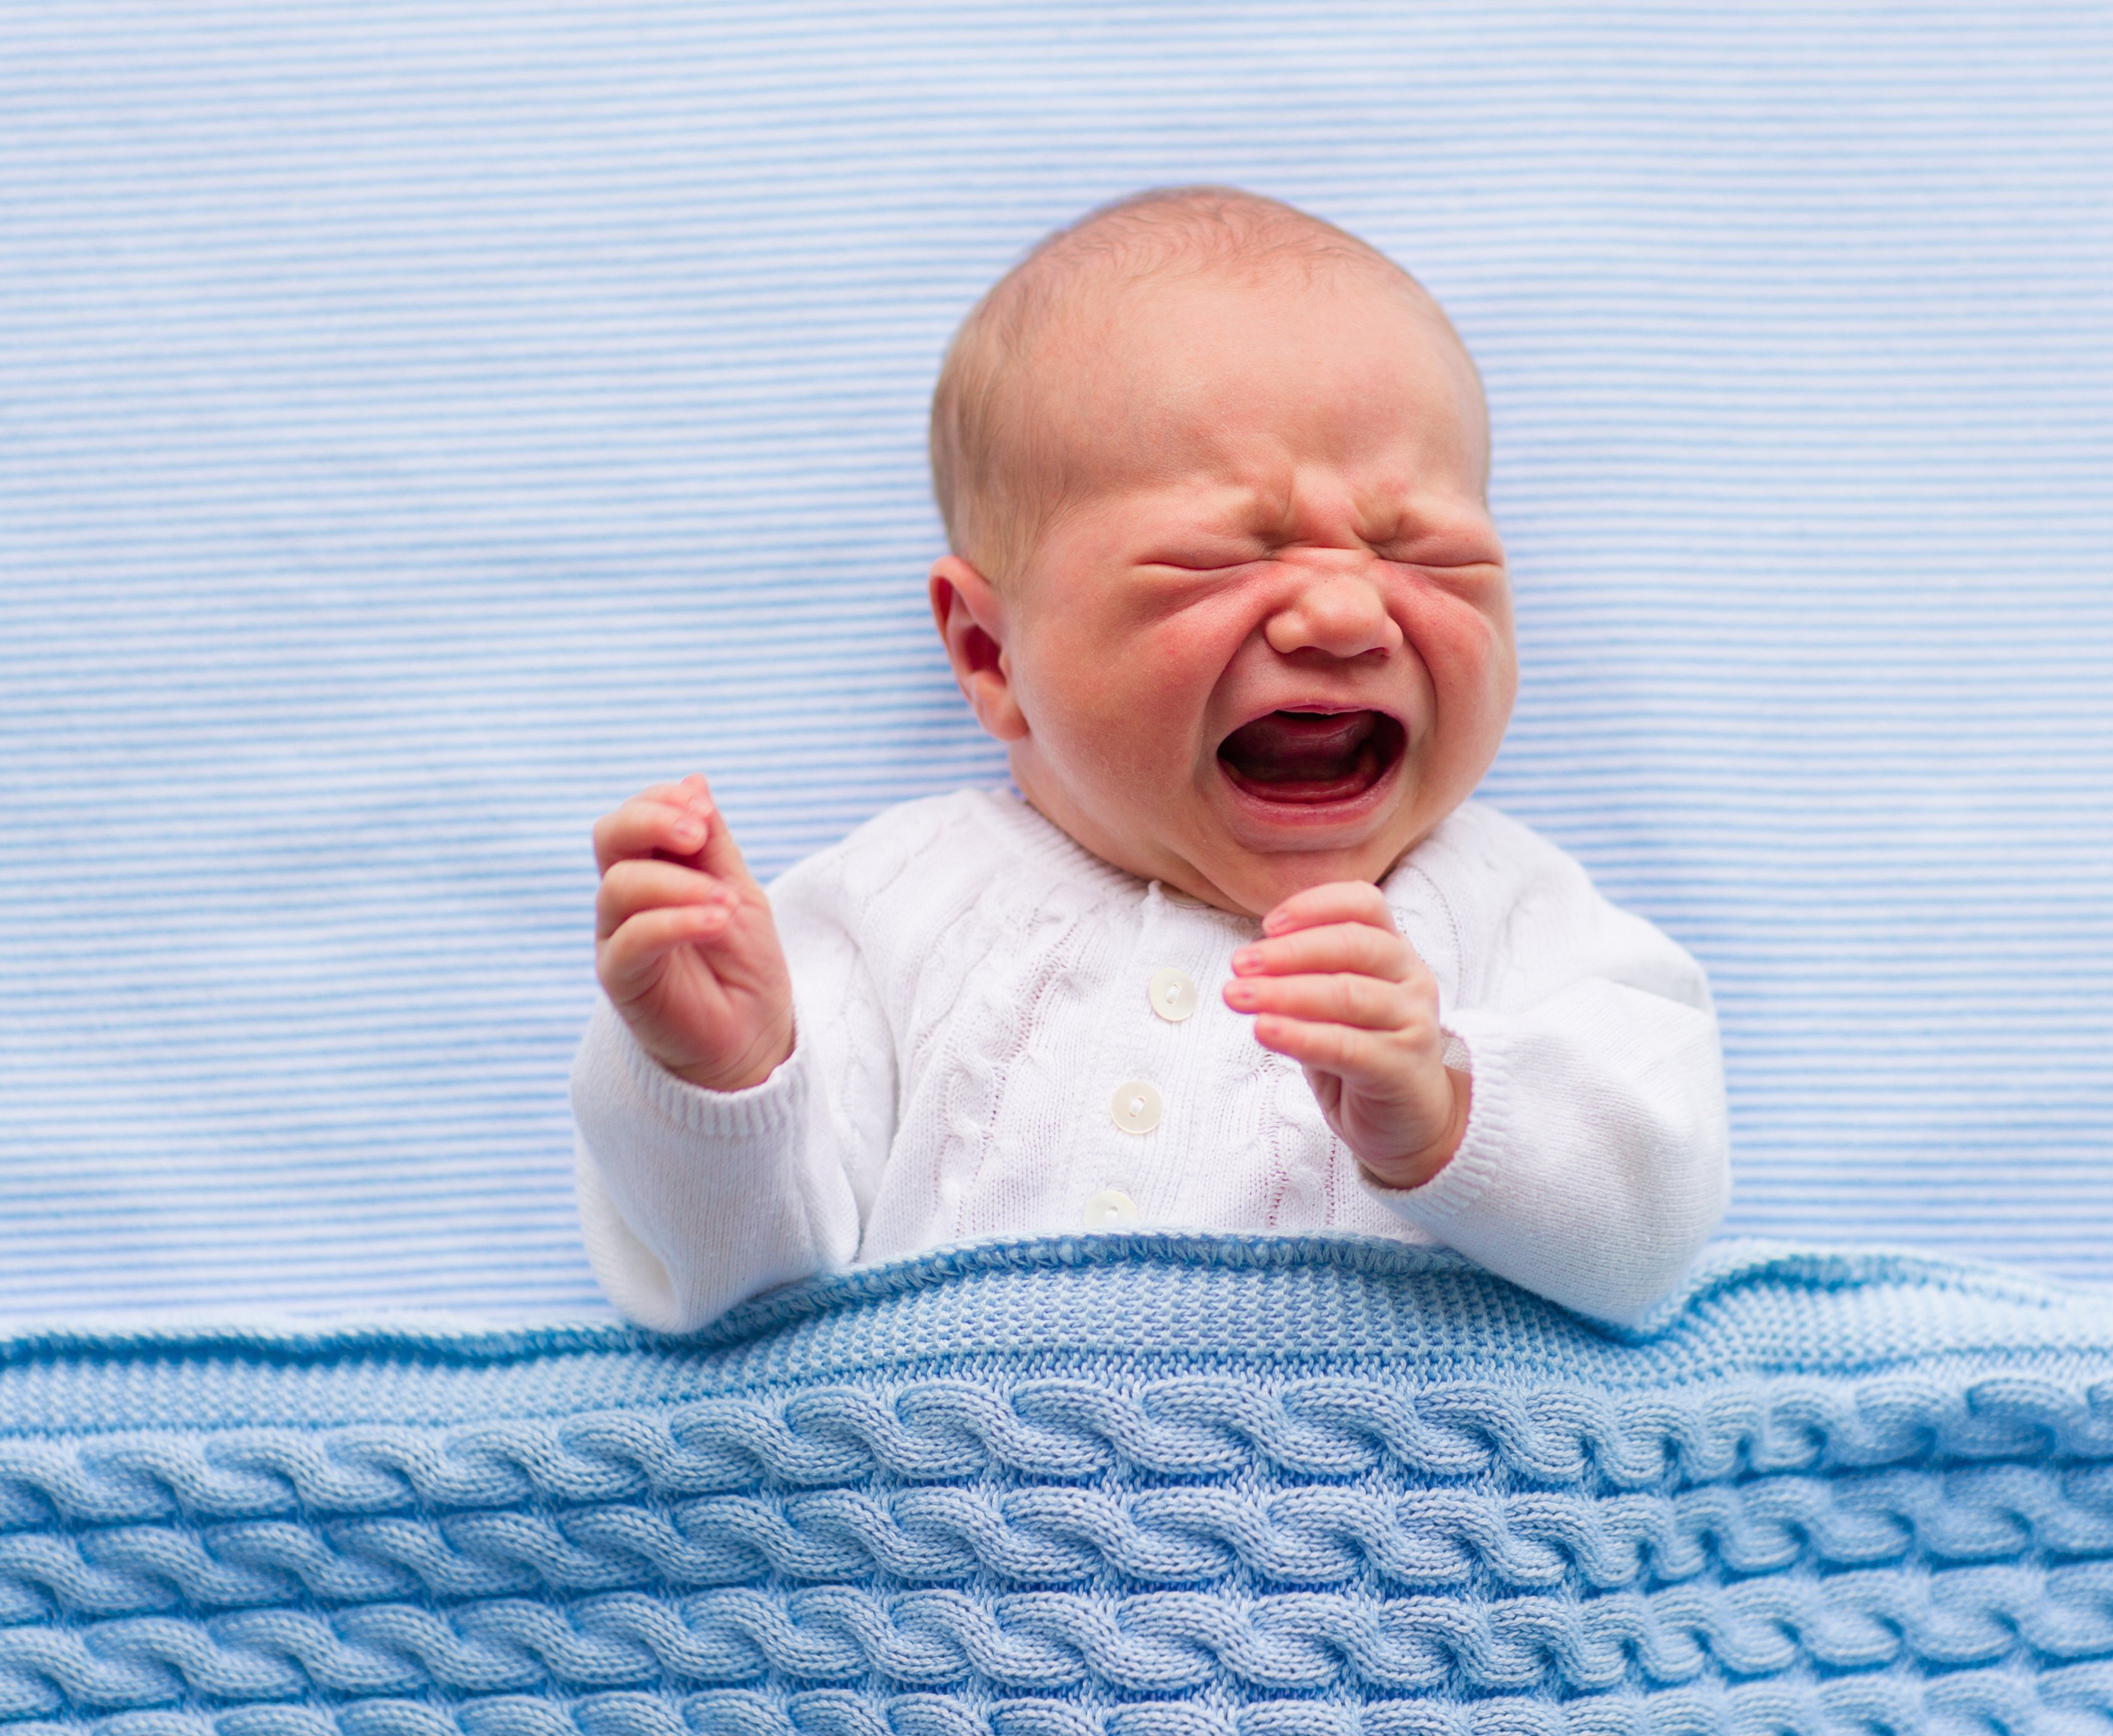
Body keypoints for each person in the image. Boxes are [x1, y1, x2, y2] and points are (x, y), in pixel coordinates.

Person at [571, 186, 1727, 1331]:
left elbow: (1656, 1234)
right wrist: (723, 1084)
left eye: (1425, 551)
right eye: (1216, 559)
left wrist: (1451, 1111)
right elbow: (732, 1289)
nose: (1338, 613)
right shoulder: (889, 908)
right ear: (990, 652)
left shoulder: (1519, 914)